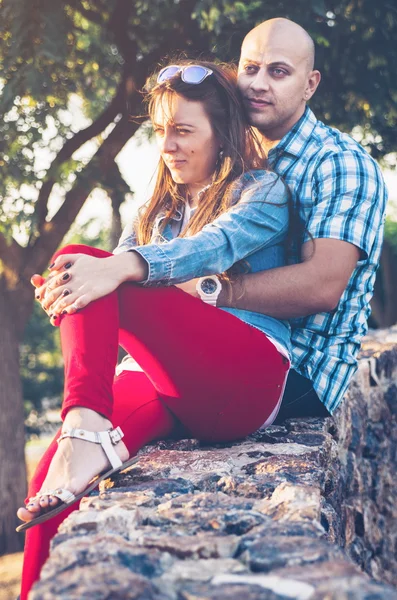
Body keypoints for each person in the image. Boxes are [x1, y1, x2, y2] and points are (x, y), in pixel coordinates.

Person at [17, 60, 291, 598]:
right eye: (161, 130)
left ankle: (87, 429)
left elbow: (210, 249)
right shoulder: (154, 210)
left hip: (244, 379)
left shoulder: (261, 191)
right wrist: (66, 296)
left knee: (82, 261)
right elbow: (107, 303)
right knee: (50, 485)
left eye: (184, 130)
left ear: (224, 134)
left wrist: (117, 269)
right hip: (164, 383)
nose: (167, 145)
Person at [214, 18, 387, 422]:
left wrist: (205, 291)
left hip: (299, 373)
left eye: (278, 72)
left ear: (309, 84)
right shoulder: (227, 158)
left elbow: (322, 286)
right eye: (250, 68)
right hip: (230, 341)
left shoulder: (341, 163)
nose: (258, 83)